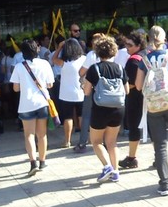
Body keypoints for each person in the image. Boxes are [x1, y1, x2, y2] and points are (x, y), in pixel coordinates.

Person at [135, 25, 168, 196]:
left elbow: (137, 85)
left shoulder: (144, 59)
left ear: (149, 39)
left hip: (153, 106)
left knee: (159, 145)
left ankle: (164, 184)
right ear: (165, 39)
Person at [83, 35, 129, 183]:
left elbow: (87, 92)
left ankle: (107, 166)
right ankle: (115, 172)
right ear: (114, 51)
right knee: (112, 142)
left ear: (97, 52)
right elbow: (126, 90)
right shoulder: (120, 69)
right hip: (118, 108)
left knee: (96, 141)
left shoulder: (94, 69)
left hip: (100, 109)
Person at [10, 39, 55, 176]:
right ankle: (42, 161)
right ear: (37, 50)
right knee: (42, 135)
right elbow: (50, 85)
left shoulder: (19, 67)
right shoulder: (45, 64)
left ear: (22, 52)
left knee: (28, 134)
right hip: (42, 103)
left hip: (26, 104)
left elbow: (16, 88)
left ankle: (32, 163)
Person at [119, 30, 147, 169]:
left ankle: (132, 157)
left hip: (135, 97)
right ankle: (158, 156)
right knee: (152, 128)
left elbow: (131, 83)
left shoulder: (133, 60)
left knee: (134, 127)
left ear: (138, 45)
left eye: (130, 45)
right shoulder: (146, 55)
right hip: (149, 97)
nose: (127, 48)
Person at [52, 38, 86, 148]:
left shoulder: (64, 62)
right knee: (82, 116)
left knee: (68, 117)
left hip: (67, 94)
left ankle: (67, 141)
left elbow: (53, 59)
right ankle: (84, 139)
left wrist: (59, 47)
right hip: (81, 92)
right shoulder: (84, 59)